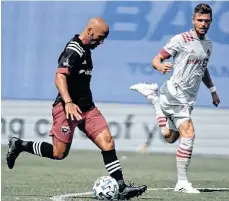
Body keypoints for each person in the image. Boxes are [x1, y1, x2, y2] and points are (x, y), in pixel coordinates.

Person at [6, 17, 147, 200]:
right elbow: (59, 77)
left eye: (103, 38)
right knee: (58, 153)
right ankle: (19, 145)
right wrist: (68, 102)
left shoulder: (87, 49)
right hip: (67, 109)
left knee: (108, 143)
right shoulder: (74, 50)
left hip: (87, 108)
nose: (101, 42)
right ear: (89, 31)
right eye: (99, 37)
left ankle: (120, 187)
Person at [130, 4, 220, 193]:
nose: (203, 24)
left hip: (187, 99)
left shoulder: (208, 45)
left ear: (211, 21)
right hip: (175, 93)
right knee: (189, 133)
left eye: (207, 21)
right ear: (193, 20)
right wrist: (159, 67)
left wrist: (212, 90)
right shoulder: (182, 39)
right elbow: (157, 58)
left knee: (170, 138)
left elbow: (202, 70)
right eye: (200, 20)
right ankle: (182, 182)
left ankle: (154, 100)